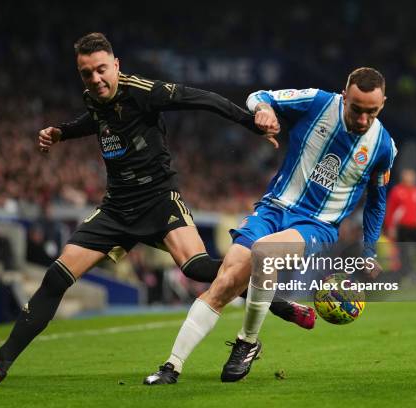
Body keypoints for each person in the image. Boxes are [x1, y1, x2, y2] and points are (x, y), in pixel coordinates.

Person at [0, 32, 315, 385]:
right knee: (56, 276)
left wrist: (250, 123)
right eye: (87, 73)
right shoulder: (92, 98)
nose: (96, 79)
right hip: (116, 208)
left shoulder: (144, 91)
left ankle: (279, 304)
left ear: (116, 65)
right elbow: (97, 121)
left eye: (101, 70)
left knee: (199, 268)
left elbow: (201, 98)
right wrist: (62, 133)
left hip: (158, 200)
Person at [144, 67, 397, 384]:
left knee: (265, 252)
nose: (362, 120)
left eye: (371, 112)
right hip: (273, 208)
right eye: (356, 109)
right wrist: (263, 111)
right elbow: (258, 97)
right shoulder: (317, 102)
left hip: (317, 226)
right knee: (225, 282)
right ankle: (172, 366)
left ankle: (246, 342)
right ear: (344, 97)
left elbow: (377, 200)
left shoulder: (383, 147)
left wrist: (370, 249)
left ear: (383, 104)